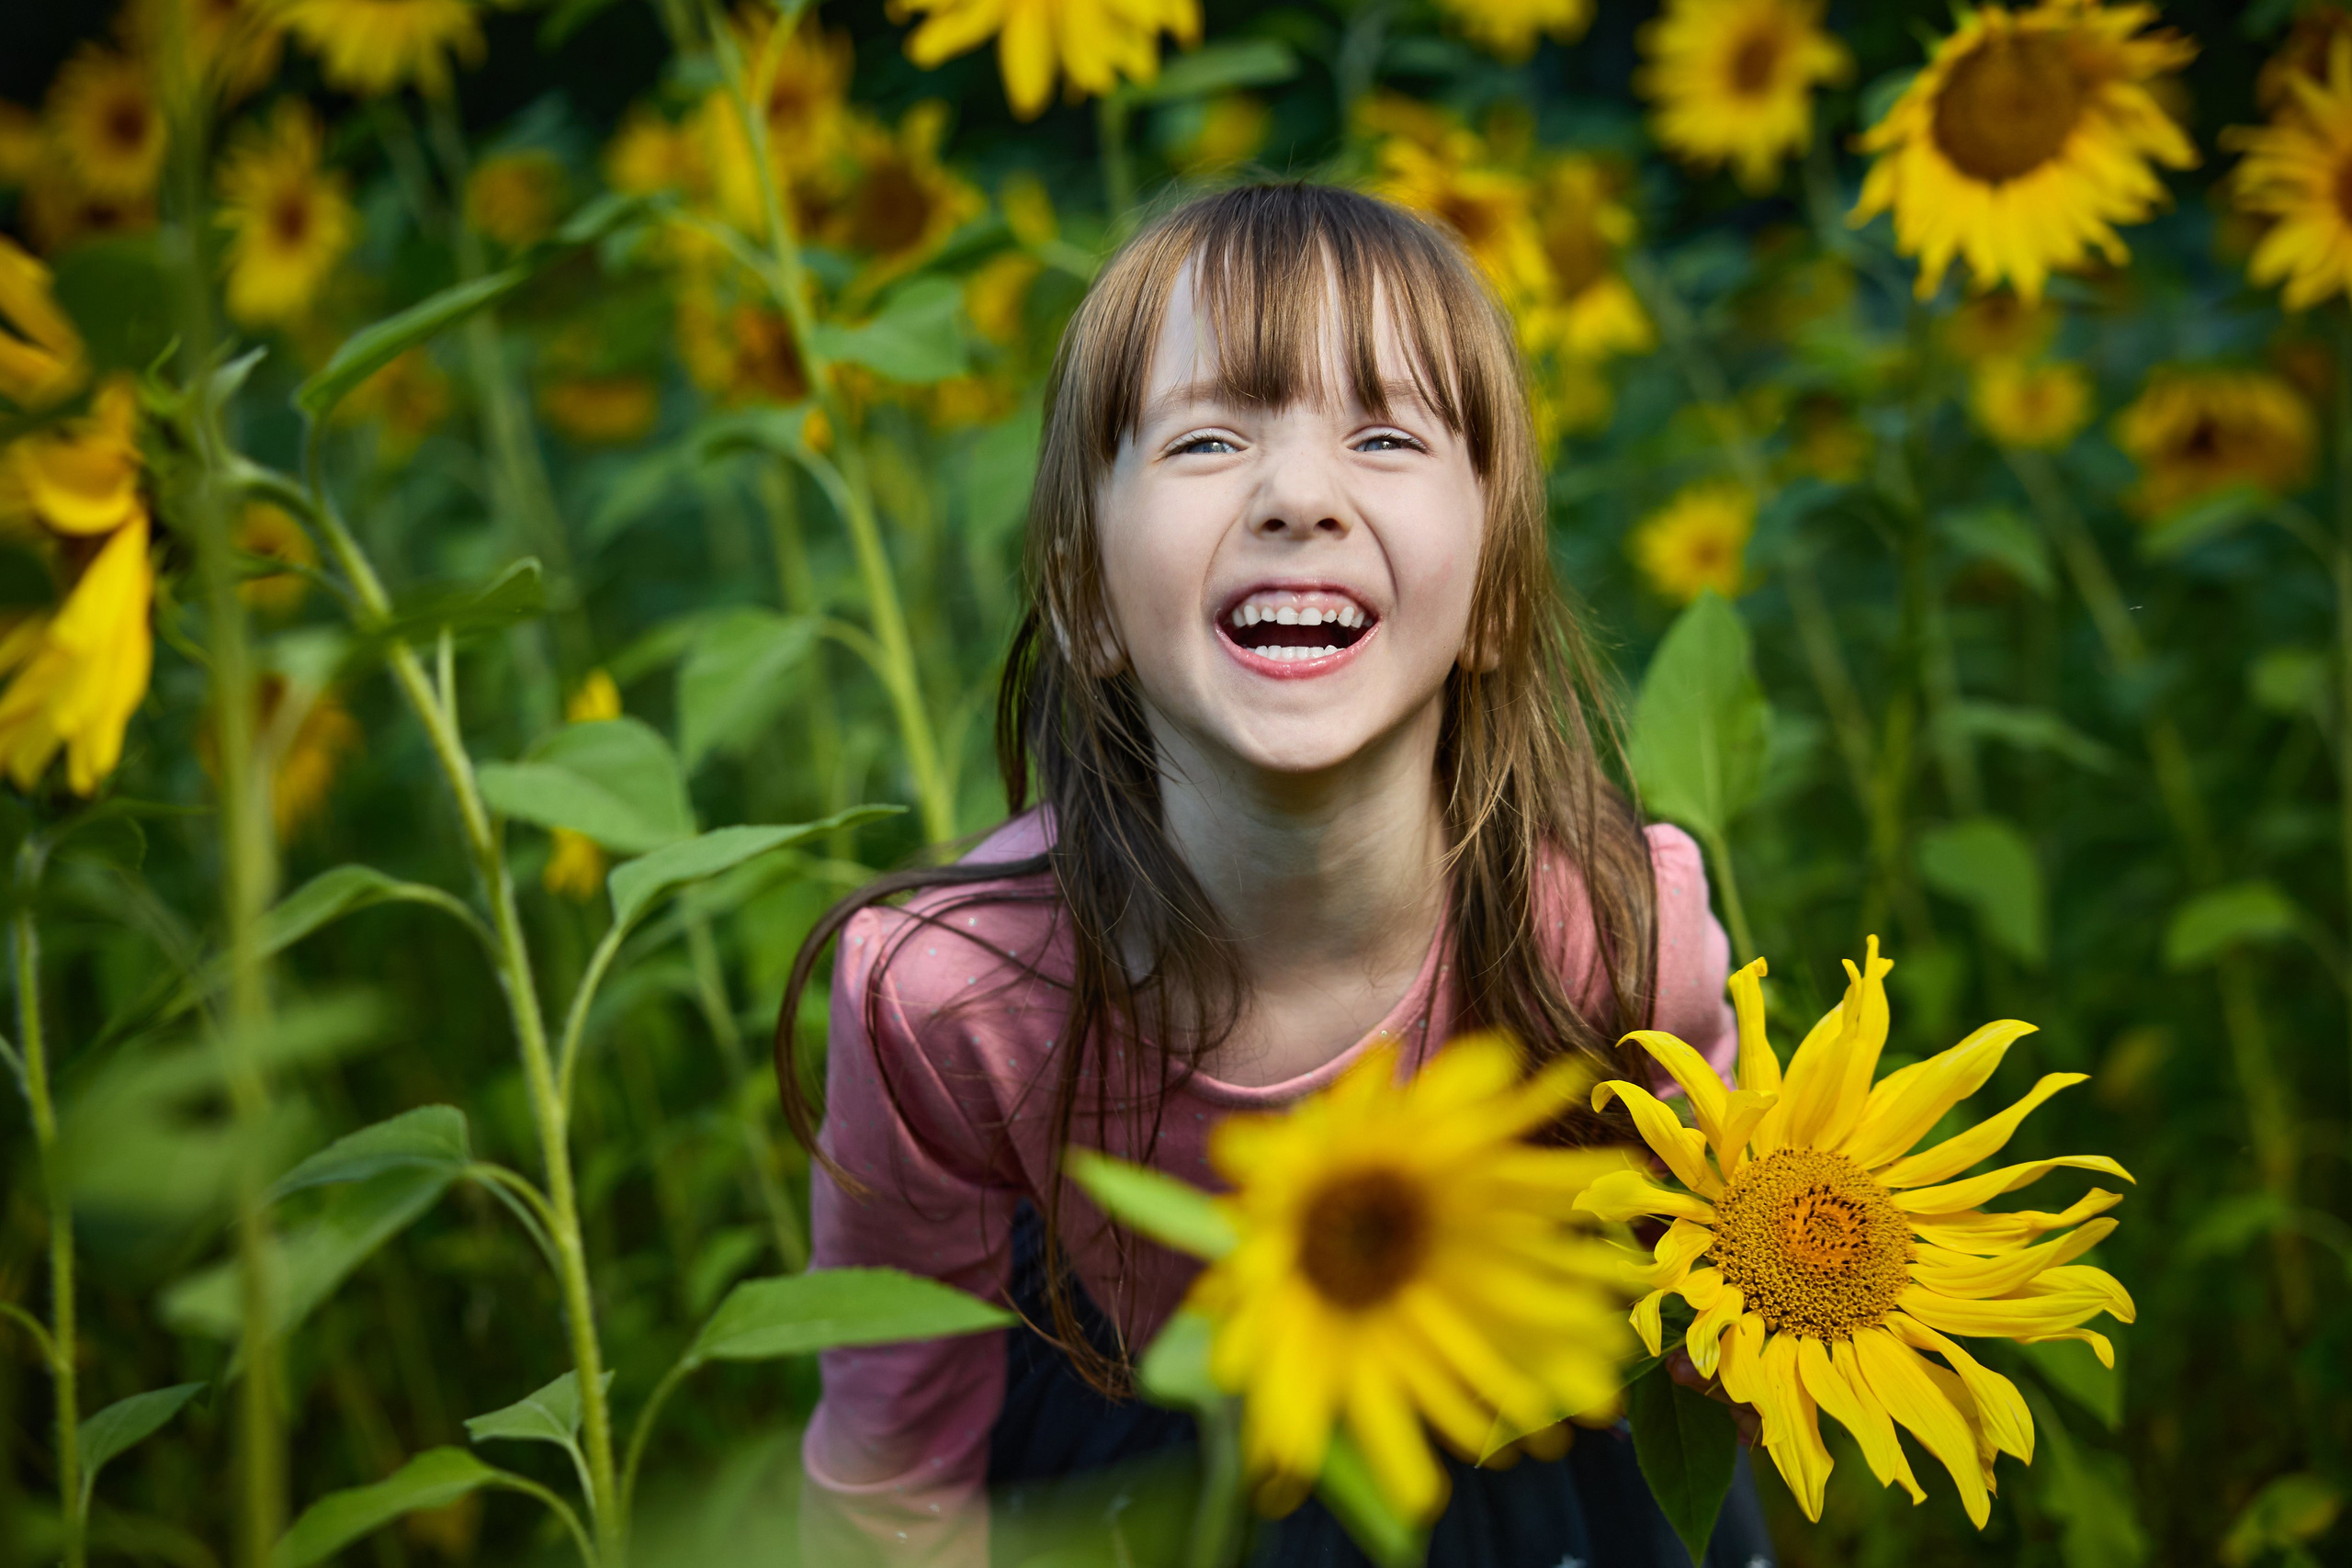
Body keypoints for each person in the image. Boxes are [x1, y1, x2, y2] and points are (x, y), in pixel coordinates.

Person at [775, 182, 1774, 1566]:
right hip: (1155, 1453)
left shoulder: (1611, 927)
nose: (1298, 496)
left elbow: (1720, 1318)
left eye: (1382, 434)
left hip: (1528, 1450)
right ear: (1080, 592)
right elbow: (896, 1462)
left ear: (1491, 590)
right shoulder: (952, 999)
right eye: (1204, 438)